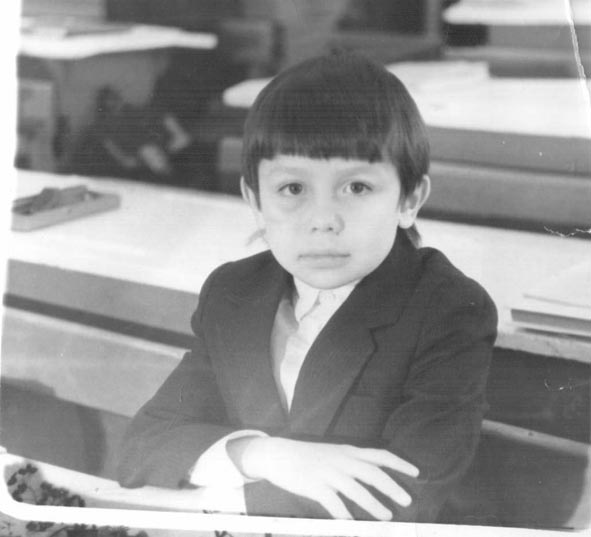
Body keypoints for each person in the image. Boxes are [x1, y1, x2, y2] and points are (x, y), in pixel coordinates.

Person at [117, 51, 498, 523]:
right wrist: (266, 455)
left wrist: (217, 504)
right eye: (293, 189)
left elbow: (398, 500)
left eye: (357, 188)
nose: (323, 221)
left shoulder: (447, 309)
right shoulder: (233, 292)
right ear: (255, 201)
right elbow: (144, 445)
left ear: (409, 200)